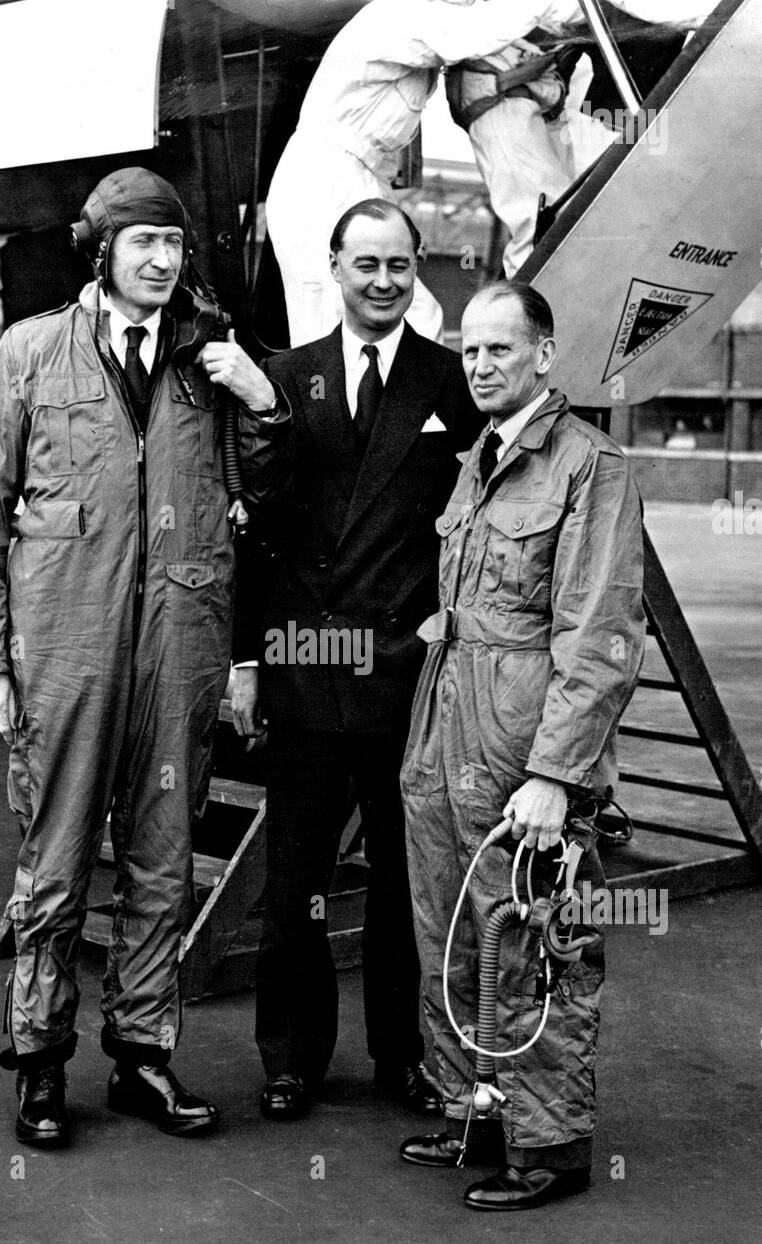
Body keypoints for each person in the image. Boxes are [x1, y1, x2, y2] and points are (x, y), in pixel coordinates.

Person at [0, 168, 288, 1148]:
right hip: (64, 647)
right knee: (53, 867)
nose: (160, 260)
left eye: (174, 245)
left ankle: (142, 1054)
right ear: (103, 251)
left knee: (161, 860)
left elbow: (264, 496)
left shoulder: (204, 361)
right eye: (142, 243)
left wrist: (261, 402)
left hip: (178, 647)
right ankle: (42, 1062)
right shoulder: (33, 353)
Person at [231, 198, 481, 1120]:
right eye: (365, 263)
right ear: (333, 269)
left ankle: (401, 1056)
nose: (382, 281)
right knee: (293, 881)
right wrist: (245, 662)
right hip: (303, 664)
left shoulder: (452, 381)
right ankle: (291, 1060)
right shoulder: (283, 380)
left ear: (417, 273)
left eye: (399, 266)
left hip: (404, 676)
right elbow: (252, 536)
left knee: (400, 880)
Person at [399, 281, 645, 1209]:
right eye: (470, 351)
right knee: (451, 923)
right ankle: (475, 1105)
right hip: (446, 723)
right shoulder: (479, 459)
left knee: (535, 931)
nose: (482, 365)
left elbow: (600, 633)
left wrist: (555, 774)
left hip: (524, 744)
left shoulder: (590, 465)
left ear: (544, 354)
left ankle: (549, 1143)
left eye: (501, 350)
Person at [265, 0, 558, 346]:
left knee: (407, 323)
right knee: (343, 333)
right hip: (321, 182)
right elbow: (472, 34)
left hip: (349, 180)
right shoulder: (399, 13)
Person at [449, 0, 720, 276]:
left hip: (540, 92)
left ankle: (528, 300)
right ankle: (527, 308)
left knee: (565, 217)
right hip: (499, 94)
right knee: (544, 223)